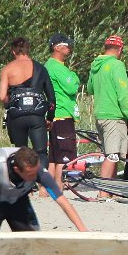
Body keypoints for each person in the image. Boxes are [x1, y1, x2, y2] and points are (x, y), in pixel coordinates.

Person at [0, 146, 87, 242]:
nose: (36, 177)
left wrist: (83, 230)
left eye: (36, 172)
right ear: (17, 169)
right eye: (30, 174)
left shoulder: (38, 171)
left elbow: (62, 201)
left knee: (32, 241)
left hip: (18, 201)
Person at [87, 35, 128, 199]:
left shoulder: (96, 65)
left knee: (110, 153)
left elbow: (90, 88)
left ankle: (111, 190)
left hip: (100, 114)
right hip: (114, 115)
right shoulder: (117, 65)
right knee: (113, 155)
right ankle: (103, 192)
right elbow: (123, 93)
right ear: (120, 50)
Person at [0, 37, 55, 168]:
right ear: (28, 49)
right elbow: (51, 97)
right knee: (41, 152)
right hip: (37, 115)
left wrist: (10, 102)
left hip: (17, 116)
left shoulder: (7, 69)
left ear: (13, 52)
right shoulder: (41, 69)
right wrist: (50, 118)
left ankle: (27, 184)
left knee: (21, 152)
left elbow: (2, 97)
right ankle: (42, 183)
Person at [44, 33, 81, 191]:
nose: (69, 48)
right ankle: (58, 184)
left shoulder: (51, 66)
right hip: (62, 112)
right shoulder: (55, 66)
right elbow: (72, 86)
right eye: (67, 45)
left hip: (56, 114)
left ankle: (48, 186)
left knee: (54, 153)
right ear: (57, 47)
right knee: (64, 151)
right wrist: (74, 76)